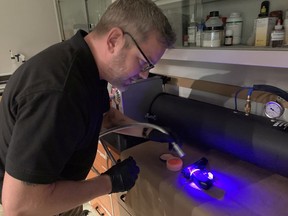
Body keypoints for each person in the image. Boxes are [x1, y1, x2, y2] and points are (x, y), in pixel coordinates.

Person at [0, 0, 176, 215]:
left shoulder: (88, 67)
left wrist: (150, 131)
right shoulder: (59, 92)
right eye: (143, 62)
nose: (144, 75)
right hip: (39, 204)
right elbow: (20, 207)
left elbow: (108, 118)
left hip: (57, 193)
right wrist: (109, 182)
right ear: (114, 40)